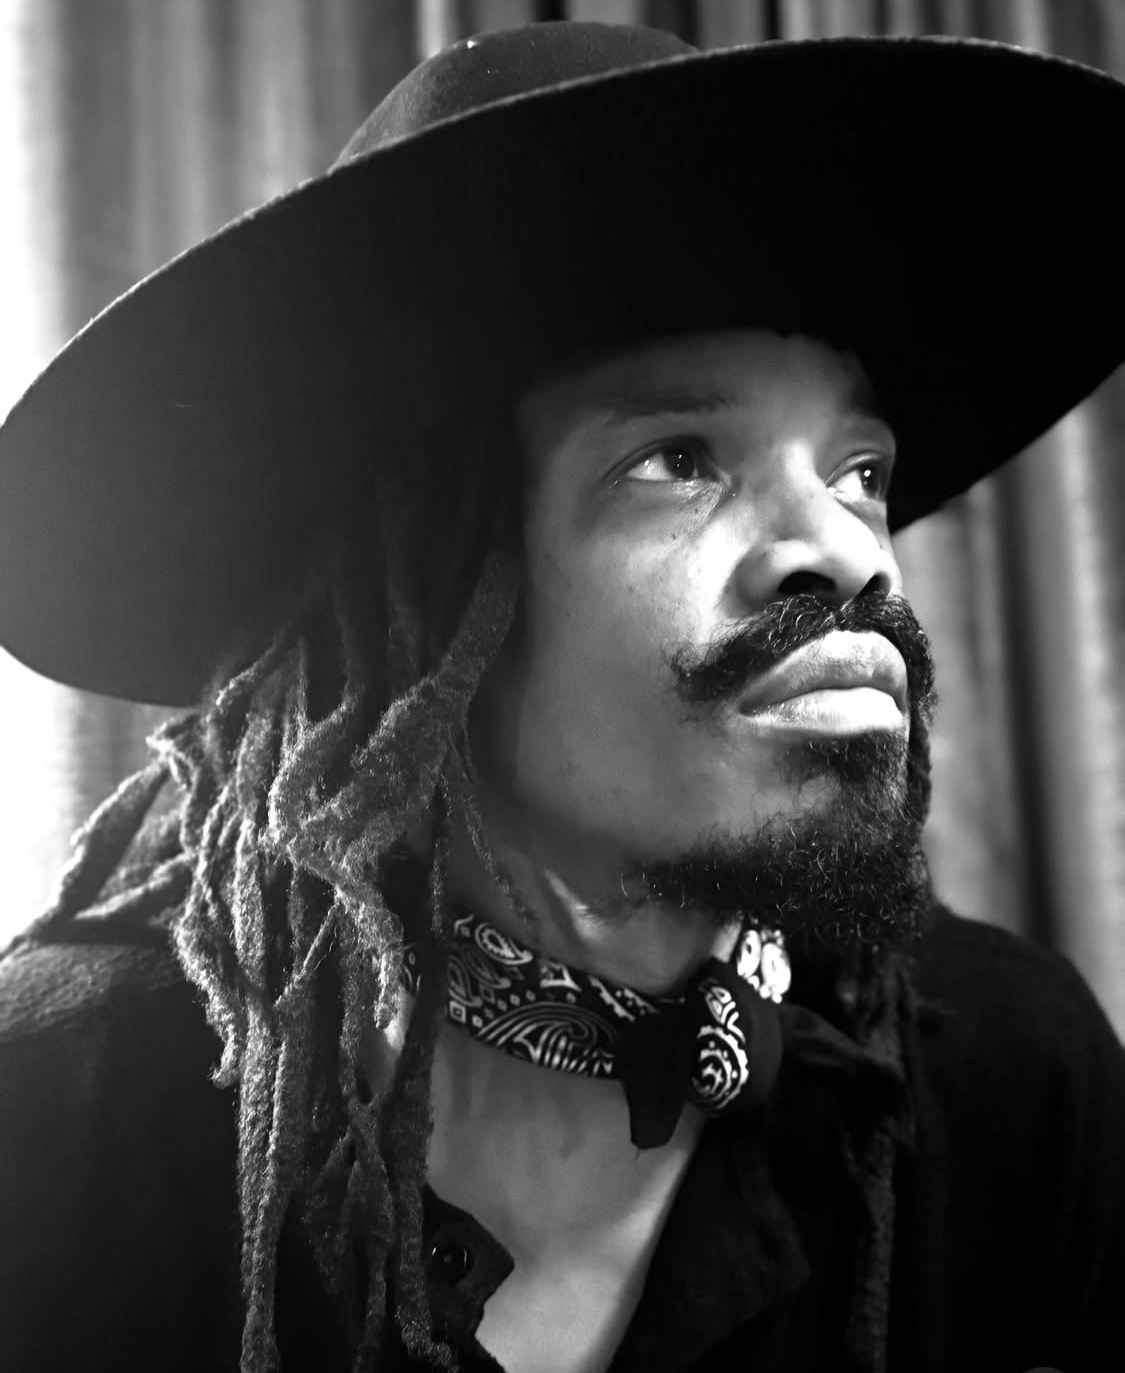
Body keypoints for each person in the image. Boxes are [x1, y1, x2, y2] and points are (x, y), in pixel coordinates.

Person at [0, 19, 1123, 1373]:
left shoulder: (1013, 1075)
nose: (843, 544)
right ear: (413, 603)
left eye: (861, 465)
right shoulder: (58, 1112)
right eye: (676, 458)